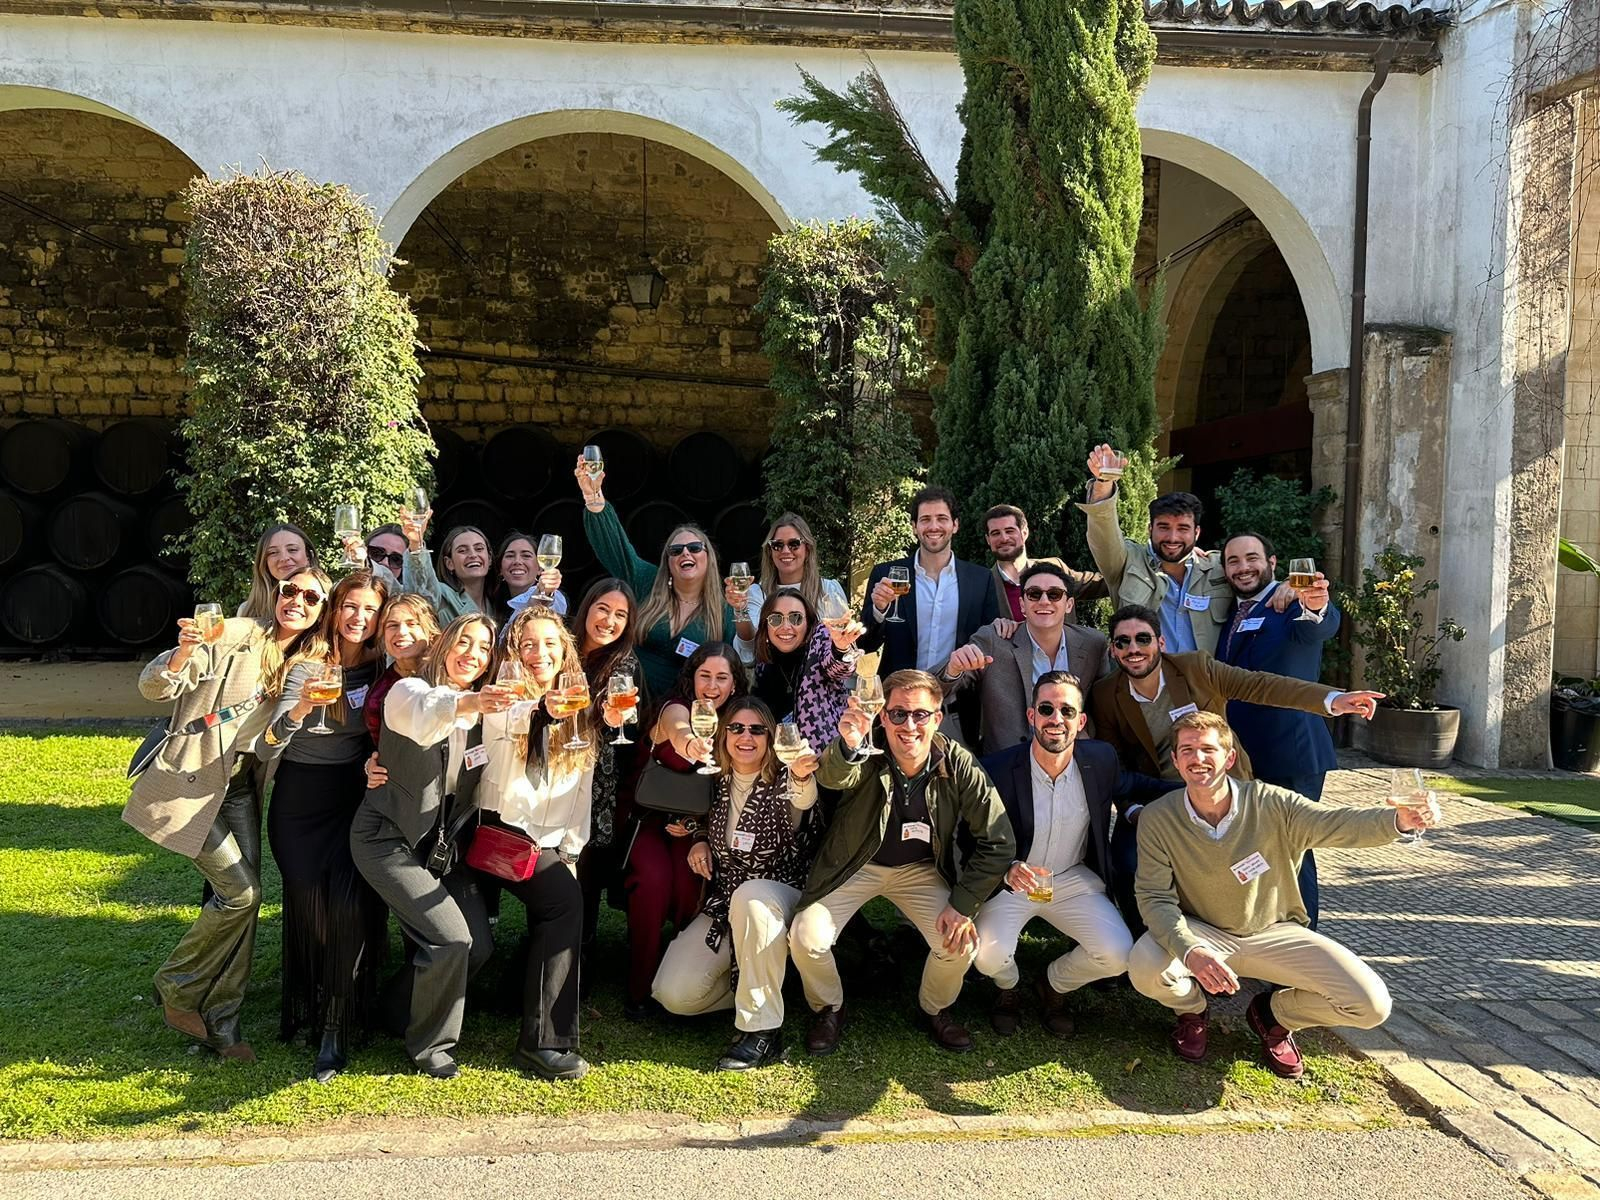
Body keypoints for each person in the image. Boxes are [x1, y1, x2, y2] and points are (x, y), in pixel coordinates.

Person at [1130, 712, 1438, 1078]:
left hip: (1274, 932)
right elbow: (1155, 898)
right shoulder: (1158, 818)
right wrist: (1190, 950)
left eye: (1208, 749)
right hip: (1204, 932)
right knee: (1144, 967)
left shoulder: (1272, 803)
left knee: (1371, 1005)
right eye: (1187, 750)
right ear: (1176, 760)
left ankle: (1275, 1015)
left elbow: (1337, 824)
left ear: (1229, 758)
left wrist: (1397, 821)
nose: (1198, 758)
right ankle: (1192, 1011)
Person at [125, 565, 327, 1060]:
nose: (296, 601)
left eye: (311, 597)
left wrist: (300, 713)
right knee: (241, 893)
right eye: (290, 590)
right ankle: (176, 984)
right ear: (275, 593)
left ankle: (222, 1023)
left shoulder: (309, 661)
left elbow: (269, 740)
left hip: (238, 787)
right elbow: (154, 687)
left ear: (322, 611)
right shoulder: (235, 633)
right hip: (189, 780)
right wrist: (184, 652)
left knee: (245, 902)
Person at [789, 669, 1015, 1055]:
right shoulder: (865, 747)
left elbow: (999, 841)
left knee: (959, 944)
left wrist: (963, 905)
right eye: (898, 714)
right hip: (855, 865)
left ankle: (934, 1009)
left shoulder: (958, 763)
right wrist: (848, 743)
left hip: (920, 871)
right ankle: (830, 1008)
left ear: (937, 718)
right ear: (883, 716)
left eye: (920, 714)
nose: (909, 725)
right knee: (806, 937)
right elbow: (831, 778)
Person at [349, 613, 517, 1079]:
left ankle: (392, 1011)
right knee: (451, 939)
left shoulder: (489, 716)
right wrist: (472, 700)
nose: (472, 654)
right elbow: (428, 715)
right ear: (443, 644)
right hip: (387, 837)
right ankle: (430, 1046)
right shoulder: (408, 691)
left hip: (443, 845)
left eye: (484, 648)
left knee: (478, 946)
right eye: (464, 642)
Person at [973, 672, 1169, 1037]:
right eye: (1046, 709)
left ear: (1081, 721)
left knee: (1117, 954)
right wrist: (1006, 868)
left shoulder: (1101, 759)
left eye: (1067, 710)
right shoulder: (997, 768)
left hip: (1072, 879)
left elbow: (1135, 785)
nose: (1056, 719)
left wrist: (1196, 789)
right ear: (1031, 716)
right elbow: (970, 834)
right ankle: (1008, 987)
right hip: (1014, 882)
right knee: (987, 957)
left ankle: (1052, 985)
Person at [257, 569, 391, 1082]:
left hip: (355, 797)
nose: (360, 617)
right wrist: (301, 709)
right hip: (299, 802)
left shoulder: (381, 667)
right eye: (351, 606)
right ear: (334, 611)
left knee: (349, 907)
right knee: (312, 910)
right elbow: (270, 740)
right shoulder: (306, 667)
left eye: (371, 609)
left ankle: (337, 1024)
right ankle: (316, 997)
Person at [652, 698, 824, 1070]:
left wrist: (800, 776)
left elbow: (803, 799)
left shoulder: (786, 779)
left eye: (757, 730)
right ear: (724, 734)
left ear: (771, 737)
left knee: (752, 894)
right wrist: (699, 837)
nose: (746, 737)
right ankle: (763, 983)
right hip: (727, 904)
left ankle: (763, 1030)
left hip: (782, 895)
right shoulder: (716, 779)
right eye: (736, 728)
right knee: (674, 995)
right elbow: (702, 818)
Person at [477, 606, 597, 1080]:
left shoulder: (579, 706)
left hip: (545, 841)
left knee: (565, 895)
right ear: (514, 651)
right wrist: (543, 709)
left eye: (549, 643)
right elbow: (514, 721)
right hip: (497, 830)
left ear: (565, 650)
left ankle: (526, 1010)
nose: (538, 653)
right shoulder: (503, 696)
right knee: (564, 903)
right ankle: (542, 1042)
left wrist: (571, 850)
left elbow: (581, 789)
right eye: (528, 644)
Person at [1091, 604, 1382, 782]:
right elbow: (1116, 763)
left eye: (1143, 639)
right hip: (1160, 796)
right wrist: (1131, 809)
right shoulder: (1105, 695)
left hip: (1223, 786)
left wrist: (1332, 699)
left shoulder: (1195, 668)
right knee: (1127, 858)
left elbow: (1260, 685)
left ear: (1161, 643)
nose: (1133, 649)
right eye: (1122, 642)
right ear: (1113, 650)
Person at [1217, 532, 1342, 927]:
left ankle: (1306, 936)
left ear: (1272, 562)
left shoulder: (1290, 604)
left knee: (1292, 848)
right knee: (1255, 847)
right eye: (1233, 561)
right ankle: (1264, 931)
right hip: (1243, 755)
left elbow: (1318, 624)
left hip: (1291, 752)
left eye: (1252, 558)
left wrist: (1316, 604)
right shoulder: (1233, 610)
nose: (1243, 567)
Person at [623, 643, 749, 1017]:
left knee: (688, 882)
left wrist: (699, 833)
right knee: (653, 881)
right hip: (648, 820)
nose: (711, 686)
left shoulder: (738, 723)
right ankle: (639, 986)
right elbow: (678, 728)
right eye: (704, 675)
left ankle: (676, 975)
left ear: (734, 683)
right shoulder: (673, 708)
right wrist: (689, 742)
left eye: (721, 678)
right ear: (691, 678)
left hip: (695, 828)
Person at [576, 455, 737, 698]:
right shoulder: (647, 580)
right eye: (676, 550)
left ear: (709, 557)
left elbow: (734, 664)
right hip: (626, 697)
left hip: (683, 706)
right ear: (668, 561)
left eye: (694, 548)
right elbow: (616, 547)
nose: (685, 553)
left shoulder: (724, 610)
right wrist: (593, 496)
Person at [858, 486, 999, 744]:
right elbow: (865, 644)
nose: (933, 526)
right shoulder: (887, 574)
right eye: (925, 519)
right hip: (898, 711)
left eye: (942, 518)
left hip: (954, 712)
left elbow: (989, 642)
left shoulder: (980, 579)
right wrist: (878, 610)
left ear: (955, 525)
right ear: (914, 527)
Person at [939, 562, 1110, 755]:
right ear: (1022, 604)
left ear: (1069, 604)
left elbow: (1103, 703)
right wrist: (953, 670)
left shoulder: (1092, 644)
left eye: (1054, 594)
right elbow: (933, 689)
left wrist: (1086, 737)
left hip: (1071, 757)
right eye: (1034, 594)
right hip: (1007, 761)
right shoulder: (994, 641)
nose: (1044, 601)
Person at [1078, 445, 1233, 654]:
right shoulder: (1127, 562)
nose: (1173, 538)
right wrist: (1104, 483)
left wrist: (1280, 590)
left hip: (1205, 674)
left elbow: (1256, 581)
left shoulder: (1219, 568)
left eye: (1183, 529)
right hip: (1146, 674)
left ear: (1196, 533)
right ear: (1150, 529)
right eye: (1164, 527)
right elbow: (1103, 536)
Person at [569, 578, 643, 967]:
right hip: (553, 771)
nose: (609, 621)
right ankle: (543, 947)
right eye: (603, 609)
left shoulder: (625, 663)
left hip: (597, 781)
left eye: (620, 615)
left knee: (586, 869)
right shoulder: (561, 647)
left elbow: (629, 724)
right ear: (587, 607)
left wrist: (616, 720)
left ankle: (580, 954)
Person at [750, 586, 863, 752]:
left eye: (795, 618)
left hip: (825, 758)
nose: (786, 626)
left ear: (808, 623)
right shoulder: (764, 662)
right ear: (766, 625)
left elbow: (838, 667)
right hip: (780, 759)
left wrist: (841, 648)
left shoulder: (820, 641)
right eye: (776, 619)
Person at [732, 513, 850, 655]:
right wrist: (740, 609)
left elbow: (846, 645)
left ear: (807, 549)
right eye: (777, 545)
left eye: (794, 544)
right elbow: (749, 647)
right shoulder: (758, 593)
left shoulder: (828, 590)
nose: (786, 551)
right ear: (770, 551)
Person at [982, 504, 1105, 624]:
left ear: (1024, 533)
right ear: (988, 539)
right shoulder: (982, 587)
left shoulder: (1055, 568)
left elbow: (1102, 584)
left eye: (1010, 531)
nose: (1004, 538)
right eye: (995, 533)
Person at [363, 593, 441, 745]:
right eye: (392, 625)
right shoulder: (379, 695)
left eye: (412, 624)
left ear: (431, 633)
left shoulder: (450, 673)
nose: (401, 632)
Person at [237, 523, 319, 621]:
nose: (284, 558)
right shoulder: (247, 611)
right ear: (264, 561)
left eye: (292, 549)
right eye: (273, 552)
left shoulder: (330, 603)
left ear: (308, 556)